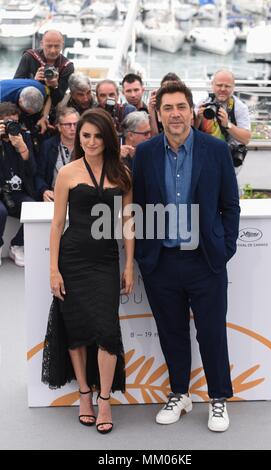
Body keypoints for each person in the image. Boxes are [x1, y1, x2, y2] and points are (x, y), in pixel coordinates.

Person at [133, 81, 240, 432]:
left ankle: (218, 398)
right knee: (171, 332)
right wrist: (146, 256)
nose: (175, 114)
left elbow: (229, 206)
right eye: (168, 108)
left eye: (181, 107)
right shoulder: (146, 153)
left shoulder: (215, 150)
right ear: (159, 114)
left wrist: (225, 249)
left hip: (205, 259)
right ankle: (179, 393)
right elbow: (139, 206)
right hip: (162, 261)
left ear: (191, 110)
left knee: (211, 332)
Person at [41, 108, 134, 434]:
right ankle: (84, 394)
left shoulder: (121, 173)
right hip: (73, 258)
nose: (92, 141)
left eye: (97, 135)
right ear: (78, 137)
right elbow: (56, 224)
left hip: (106, 261)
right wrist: (53, 270)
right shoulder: (67, 172)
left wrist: (129, 267)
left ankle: (105, 399)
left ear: (108, 137)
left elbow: (128, 225)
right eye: (86, 135)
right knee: (77, 328)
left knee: (107, 331)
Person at [0, 102, 36, 267]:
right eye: (7, 123)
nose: (11, 126)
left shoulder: (23, 137)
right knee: (0, 212)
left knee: (33, 207)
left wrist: (23, 149)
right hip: (1, 192)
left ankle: (17, 245)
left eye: (14, 122)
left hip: (18, 191)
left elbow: (32, 171)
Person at [195, 69, 251, 174]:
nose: (222, 89)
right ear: (212, 85)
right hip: (206, 157)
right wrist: (198, 118)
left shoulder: (239, 107)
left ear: (233, 87)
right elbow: (191, 131)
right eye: (219, 85)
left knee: (227, 188)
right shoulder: (203, 103)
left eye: (227, 86)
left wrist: (227, 124)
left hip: (228, 158)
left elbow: (246, 139)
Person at [14, 30, 74, 108]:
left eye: (57, 46)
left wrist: (55, 86)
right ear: (42, 44)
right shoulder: (29, 57)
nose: (53, 50)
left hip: (51, 109)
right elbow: (15, 86)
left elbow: (58, 100)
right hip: (26, 106)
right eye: (49, 46)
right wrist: (34, 82)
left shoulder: (66, 66)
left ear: (62, 45)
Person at [35, 107, 80, 201]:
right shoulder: (47, 146)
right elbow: (38, 175)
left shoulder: (87, 146)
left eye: (76, 124)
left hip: (80, 196)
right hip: (55, 195)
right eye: (68, 125)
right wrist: (44, 190)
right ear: (59, 127)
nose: (73, 128)